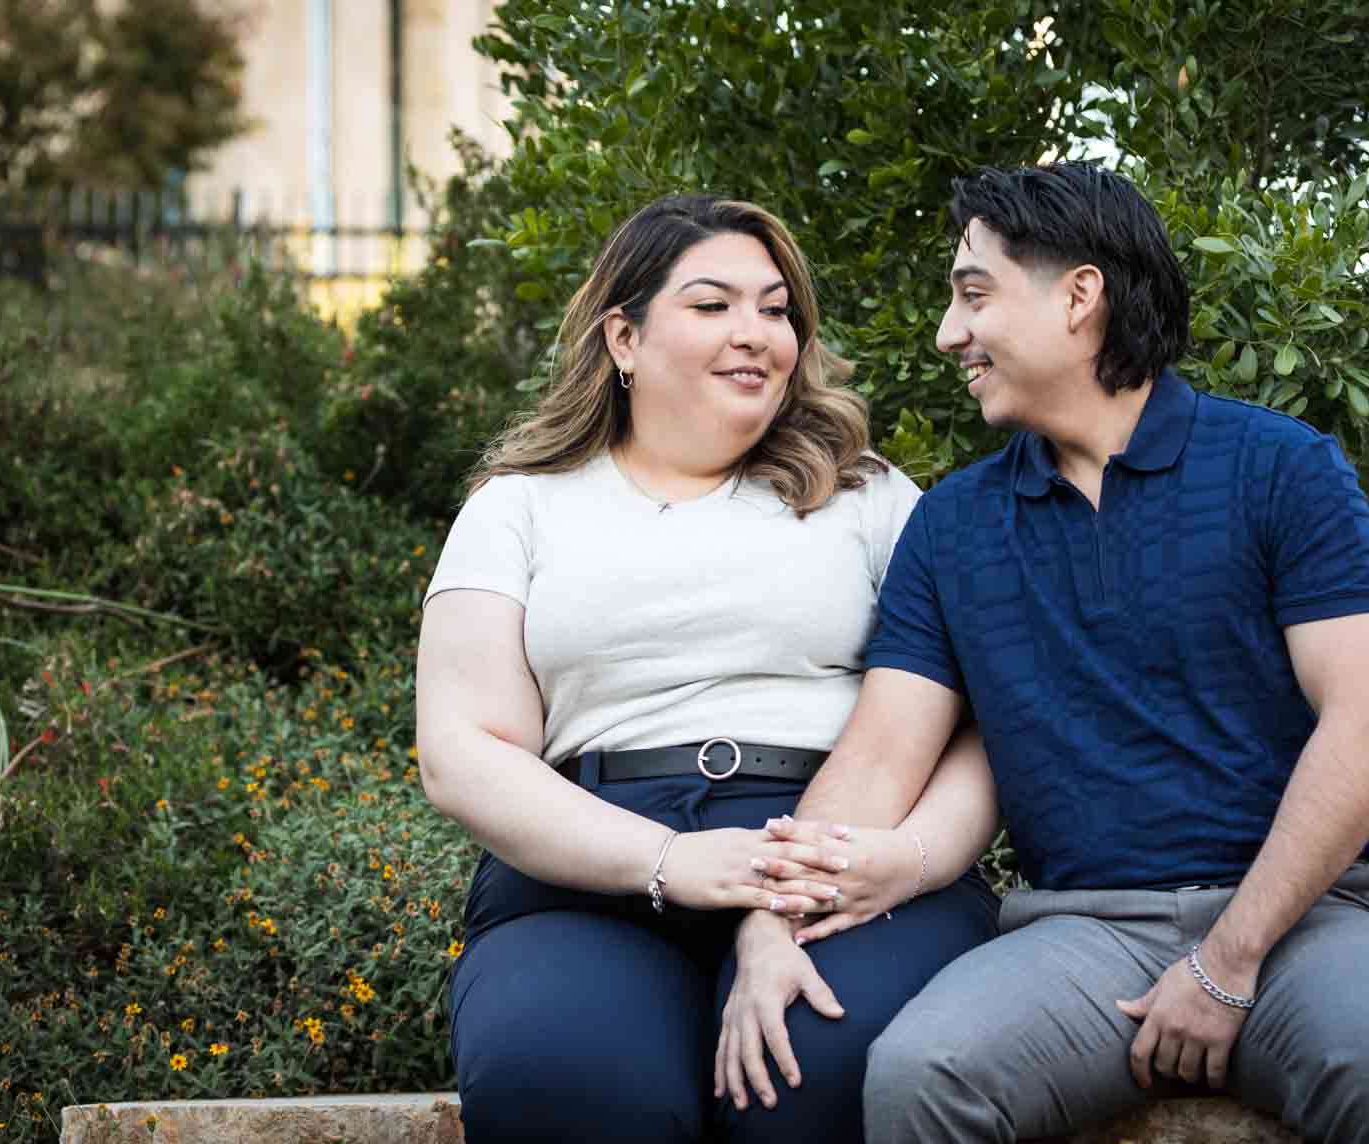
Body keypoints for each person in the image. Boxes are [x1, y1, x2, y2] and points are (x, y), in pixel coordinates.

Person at [717, 164, 1369, 1143]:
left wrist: (1227, 960)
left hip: (1306, 920)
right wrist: (768, 920)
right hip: (1083, 934)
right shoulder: (953, 527)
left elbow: (1367, 724)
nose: (948, 333)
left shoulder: (1280, 469)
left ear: (1078, 296)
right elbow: (879, 756)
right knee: (919, 1073)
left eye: (972, 293)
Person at [414, 194, 1000, 1144]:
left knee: (811, 1071)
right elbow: (461, 752)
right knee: (569, 1085)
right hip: (592, 862)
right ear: (624, 338)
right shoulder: (517, 510)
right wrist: (668, 860)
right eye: (714, 304)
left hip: (838, 849)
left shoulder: (874, 499)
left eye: (776, 310)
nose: (757, 335)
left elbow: (976, 723)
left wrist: (910, 860)